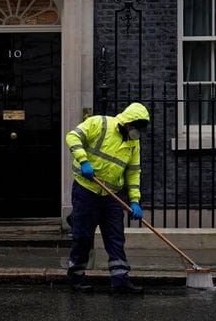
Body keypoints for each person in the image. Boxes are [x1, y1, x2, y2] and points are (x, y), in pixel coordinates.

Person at [65, 102, 150, 294]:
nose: (139, 133)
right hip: (87, 190)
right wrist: (84, 160)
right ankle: (76, 276)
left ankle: (120, 279)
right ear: (129, 123)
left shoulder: (133, 143)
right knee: (83, 236)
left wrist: (135, 201)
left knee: (115, 237)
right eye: (138, 127)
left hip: (111, 196)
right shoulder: (99, 124)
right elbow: (72, 137)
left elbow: (133, 172)